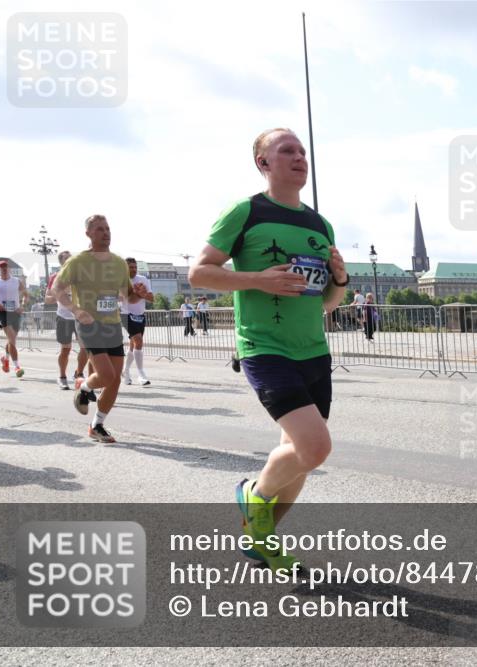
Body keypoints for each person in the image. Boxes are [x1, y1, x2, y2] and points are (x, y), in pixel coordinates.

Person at [189, 127, 347, 572]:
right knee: (314, 449)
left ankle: (261, 539)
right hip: (265, 347)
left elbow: (327, 305)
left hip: (313, 350)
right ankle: (252, 495)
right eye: (286, 151)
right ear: (263, 163)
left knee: (299, 457)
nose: (299, 157)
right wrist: (260, 279)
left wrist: (339, 279)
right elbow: (199, 273)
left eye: (302, 151)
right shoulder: (246, 211)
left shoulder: (320, 224)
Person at [50, 214, 145, 443]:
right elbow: (57, 289)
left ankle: (97, 425)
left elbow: (127, 297)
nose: (106, 232)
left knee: (114, 381)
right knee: (105, 375)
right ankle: (83, 385)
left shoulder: (119, 262)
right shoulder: (77, 262)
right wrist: (75, 310)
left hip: (112, 324)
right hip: (89, 324)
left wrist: (137, 294)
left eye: (108, 228)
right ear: (88, 234)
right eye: (100, 229)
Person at [46, 250, 89, 389]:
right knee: (66, 349)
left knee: (86, 348)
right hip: (64, 317)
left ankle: (79, 373)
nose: (70, 261)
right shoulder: (56, 277)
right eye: (67, 259)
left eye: (71, 258)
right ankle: (62, 376)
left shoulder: (80, 276)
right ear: (61, 262)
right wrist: (61, 293)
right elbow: (47, 299)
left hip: (80, 317)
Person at [0, 260, 28, 378]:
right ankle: (17, 366)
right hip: (2, 313)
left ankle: (6, 359)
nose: (4, 269)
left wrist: (22, 306)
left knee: (11, 340)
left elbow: (26, 294)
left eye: (6, 267)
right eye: (1, 267)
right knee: (12, 339)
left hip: (16, 313)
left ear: (9, 269)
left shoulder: (17, 281)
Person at [120, 257, 154, 385]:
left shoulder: (143, 279)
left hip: (140, 315)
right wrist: (136, 293)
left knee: (134, 345)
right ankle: (141, 374)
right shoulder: (121, 281)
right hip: (126, 314)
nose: (133, 269)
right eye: (131, 267)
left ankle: (126, 371)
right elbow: (124, 298)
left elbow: (152, 298)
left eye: (135, 267)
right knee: (138, 341)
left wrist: (143, 294)